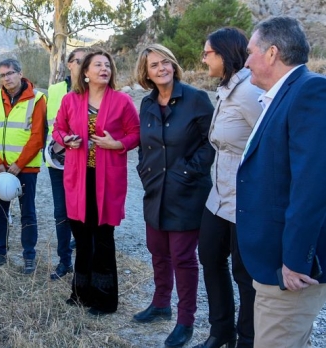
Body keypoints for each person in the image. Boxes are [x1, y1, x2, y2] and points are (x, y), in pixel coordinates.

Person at [236, 16, 326, 348]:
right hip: (272, 264)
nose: (245, 61)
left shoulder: (310, 91)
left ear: (272, 53)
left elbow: (313, 185)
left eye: (250, 51)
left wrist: (295, 260)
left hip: (288, 271)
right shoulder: (282, 95)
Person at [132, 44, 214, 348]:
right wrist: (144, 171)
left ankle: (185, 321)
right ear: (146, 73)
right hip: (155, 191)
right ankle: (160, 304)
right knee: (157, 251)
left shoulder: (197, 99)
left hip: (187, 192)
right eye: (154, 65)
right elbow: (144, 145)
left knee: (183, 258)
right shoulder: (147, 103)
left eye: (166, 62)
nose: (162, 68)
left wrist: (187, 173)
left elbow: (211, 143)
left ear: (174, 64)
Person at [52, 49, 140, 315]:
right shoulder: (70, 100)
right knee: (80, 235)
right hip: (78, 178)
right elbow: (58, 128)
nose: (104, 69)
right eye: (98, 65)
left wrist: (117, 143)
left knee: (102, 237)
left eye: (108, 66)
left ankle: (104, 300)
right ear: (86, 73)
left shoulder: (122, 101)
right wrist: (65, 139)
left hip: (108, 179)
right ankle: (80, 294)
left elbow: (135, 133)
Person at [194, 28, 263, 348]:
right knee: (209, 255)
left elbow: (270, 143)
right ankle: (220, 331)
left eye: (208, 53)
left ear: (224, 54)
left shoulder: (250, 91)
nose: (204, 58)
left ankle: (246, 339)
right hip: (218, 196)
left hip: (245, 200)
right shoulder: (226, 89)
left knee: (244, 275)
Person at [0, 58, 46, 274]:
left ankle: (29, 256)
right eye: (2, 75)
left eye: (10, 73)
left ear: (20, 73)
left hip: (25, 169)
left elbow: (38, 136)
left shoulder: (37, 99)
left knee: (28, 212)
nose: (6, 78)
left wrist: (19, 164)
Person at [46, 47, 89, 280]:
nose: (82, 65)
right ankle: (64, 262)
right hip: (58, 162)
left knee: (84, 214)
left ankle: (85, 264)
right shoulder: (54, 91)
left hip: (85, 163)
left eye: (87, 61)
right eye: (79, 61)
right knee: (61, 213)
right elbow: (49, 125)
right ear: (69, 64)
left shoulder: (96, 92)